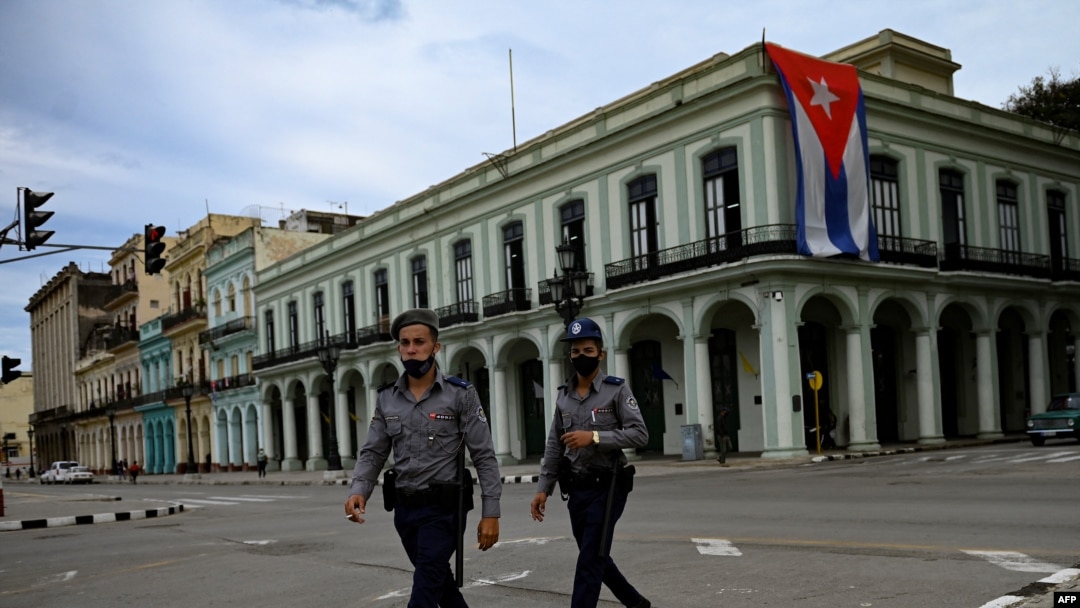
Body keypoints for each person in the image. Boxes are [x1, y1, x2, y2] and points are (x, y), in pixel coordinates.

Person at [345, 308, 502, 608]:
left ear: (435, 346)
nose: (411, 350)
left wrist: (490, 512)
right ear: (399, 349)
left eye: (419, 342)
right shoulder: (387, 397)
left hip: (443, 512)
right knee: (439, 584)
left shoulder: (460, 395)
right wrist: (358, 489)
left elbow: (484, 455)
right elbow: (374, 451)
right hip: (405, 512)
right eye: (405, 343)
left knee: (424, 594)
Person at [530, 318, 651, 608]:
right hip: (578, 490)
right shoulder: (563, 396)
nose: (580, 357)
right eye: (575, 352)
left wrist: (594, 436)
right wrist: (543, 488)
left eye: (587, 350)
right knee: (595, 553)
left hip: (608, 487)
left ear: (601, 353)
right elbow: (553, 444)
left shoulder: (616, 390)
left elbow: (640, 434)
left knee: (589, 559)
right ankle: (635, 603)